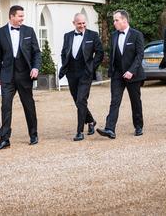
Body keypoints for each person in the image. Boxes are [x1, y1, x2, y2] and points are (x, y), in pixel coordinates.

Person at [0, 5, 41, 150]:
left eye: (22, 16)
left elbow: (36, 52)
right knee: (5, 107)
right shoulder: (0, 33)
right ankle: (5, 139)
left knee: (29, 105)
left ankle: (33, 134)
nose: (22, 18)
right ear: (11, 16)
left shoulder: (29, 31)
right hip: (6, 76)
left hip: (25, 75)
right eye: (20, 16)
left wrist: (35, 67)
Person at [97, 10, 145, 139]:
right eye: (114, 20)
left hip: (133, 74)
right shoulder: (113, 35)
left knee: (135, 101)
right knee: (115, 101)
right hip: (117, 74)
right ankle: (109, 128)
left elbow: (140, 55)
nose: (114, 23)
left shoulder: (137, 35)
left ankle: (138, 126)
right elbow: (113, 55)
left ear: (124, 20)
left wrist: (131, 71)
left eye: (116, 20)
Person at [58, 13, 104, 141]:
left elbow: (100, 53)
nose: (82, 26)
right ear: (74, 23)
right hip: (71, 73)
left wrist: (91, 68)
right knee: (77, 100)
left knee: (80, 100)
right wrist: (65, 68)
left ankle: (79, 132)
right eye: (79, 23)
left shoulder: (93, 35)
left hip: (85, 73)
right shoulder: (67, 36)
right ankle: (90, 121)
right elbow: (64, 52)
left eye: (84, 23)